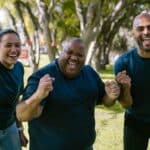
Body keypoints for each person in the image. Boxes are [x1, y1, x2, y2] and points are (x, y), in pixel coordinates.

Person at [16, 37, 120, 150]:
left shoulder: (90, 73)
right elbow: (22, 115)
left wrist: (111, 96)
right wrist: (38, 95)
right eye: (69, 52)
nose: (74, 58)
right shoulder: (42, 76)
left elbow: (105, 101)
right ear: (61, 52)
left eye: (80, 55)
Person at [114, 11, 150, 150]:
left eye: (149, 27)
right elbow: (126, 104)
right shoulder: (123, 62)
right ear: (133, 33)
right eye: (140, 29)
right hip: (135, 122)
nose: (146, 32)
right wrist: (126, 88)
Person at [0, 29, 28, 150]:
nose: (13, 50)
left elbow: (16, 102)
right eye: (8, 45)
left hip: (9, 126)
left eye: (17, 45)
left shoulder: (19, 68)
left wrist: (19, 130)